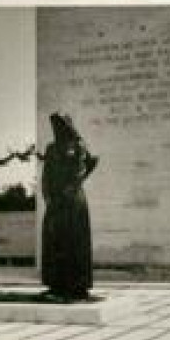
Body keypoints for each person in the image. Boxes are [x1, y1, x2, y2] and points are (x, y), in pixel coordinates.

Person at [40, 114, 99, 301]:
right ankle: (56, 284)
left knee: (75, 243)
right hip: (55, 203)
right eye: (54, 126)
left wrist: (72, 187)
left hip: (73, 201)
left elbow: (87, 165)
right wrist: (48, 197)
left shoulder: (78, 145)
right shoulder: (50, 148)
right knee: (54, 241)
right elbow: (45, 175)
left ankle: (78, 285)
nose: (56, 129)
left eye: (60, 125)